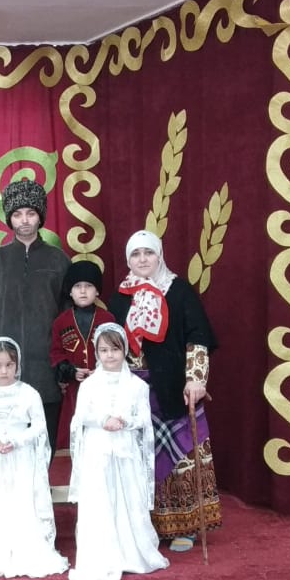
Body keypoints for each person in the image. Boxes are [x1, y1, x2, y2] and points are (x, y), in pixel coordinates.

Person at [106, 230, 221, 552]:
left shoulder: (179, 291)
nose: (142, 259)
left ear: (160, 255)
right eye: (135, 254)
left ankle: (186, 527)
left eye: (149, 253)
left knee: (181, 457)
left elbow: (198, 337)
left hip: (173, 386)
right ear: (128, 260)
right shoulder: (120, 297)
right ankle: (145, 528)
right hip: (134, 392)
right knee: (140, 458)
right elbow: (110, 344)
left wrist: (196, 379)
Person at [0, 179, 71, 453]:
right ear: (9, 218)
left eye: (31, 213)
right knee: (2, 446)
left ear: (40, 216)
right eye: (18, 214)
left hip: (46, 369)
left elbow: (70, 316)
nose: (24, 220)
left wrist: (66, 362)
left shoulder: (58, 260)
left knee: (42, 445)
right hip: (2, 370)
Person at [67, 324, 169, 580]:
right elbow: (81, 417)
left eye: (115, 349)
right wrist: (103, 420)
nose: (110, 355)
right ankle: (101, 556)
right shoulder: (89, 385)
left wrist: (124, 422)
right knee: (99, 499)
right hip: (97, 449)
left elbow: (144, 420)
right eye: (103, 350)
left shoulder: (137, 386)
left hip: (126, 451)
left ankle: (130, 553)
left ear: (124, 350)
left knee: (127, 498)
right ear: (96, 352)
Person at [0, 337, 69, 580]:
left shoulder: (28, 393)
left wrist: (17, 440)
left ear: (17, 364)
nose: (4, 371)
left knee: (21, 497)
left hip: (21, 454)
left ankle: (26, 546)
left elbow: (39, 425)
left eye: (9, 365)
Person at [49, 260, 115, 450]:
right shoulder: (61, 322)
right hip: (74, 391)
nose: (83, 291)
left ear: (97, 291)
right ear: (70, 291)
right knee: (73, 434)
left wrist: (101, 371)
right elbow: (56, 353)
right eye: (77, 286)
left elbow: (117, 350)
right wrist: (71, 371)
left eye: (89, 286)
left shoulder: (107, 319)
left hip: (104, 390)